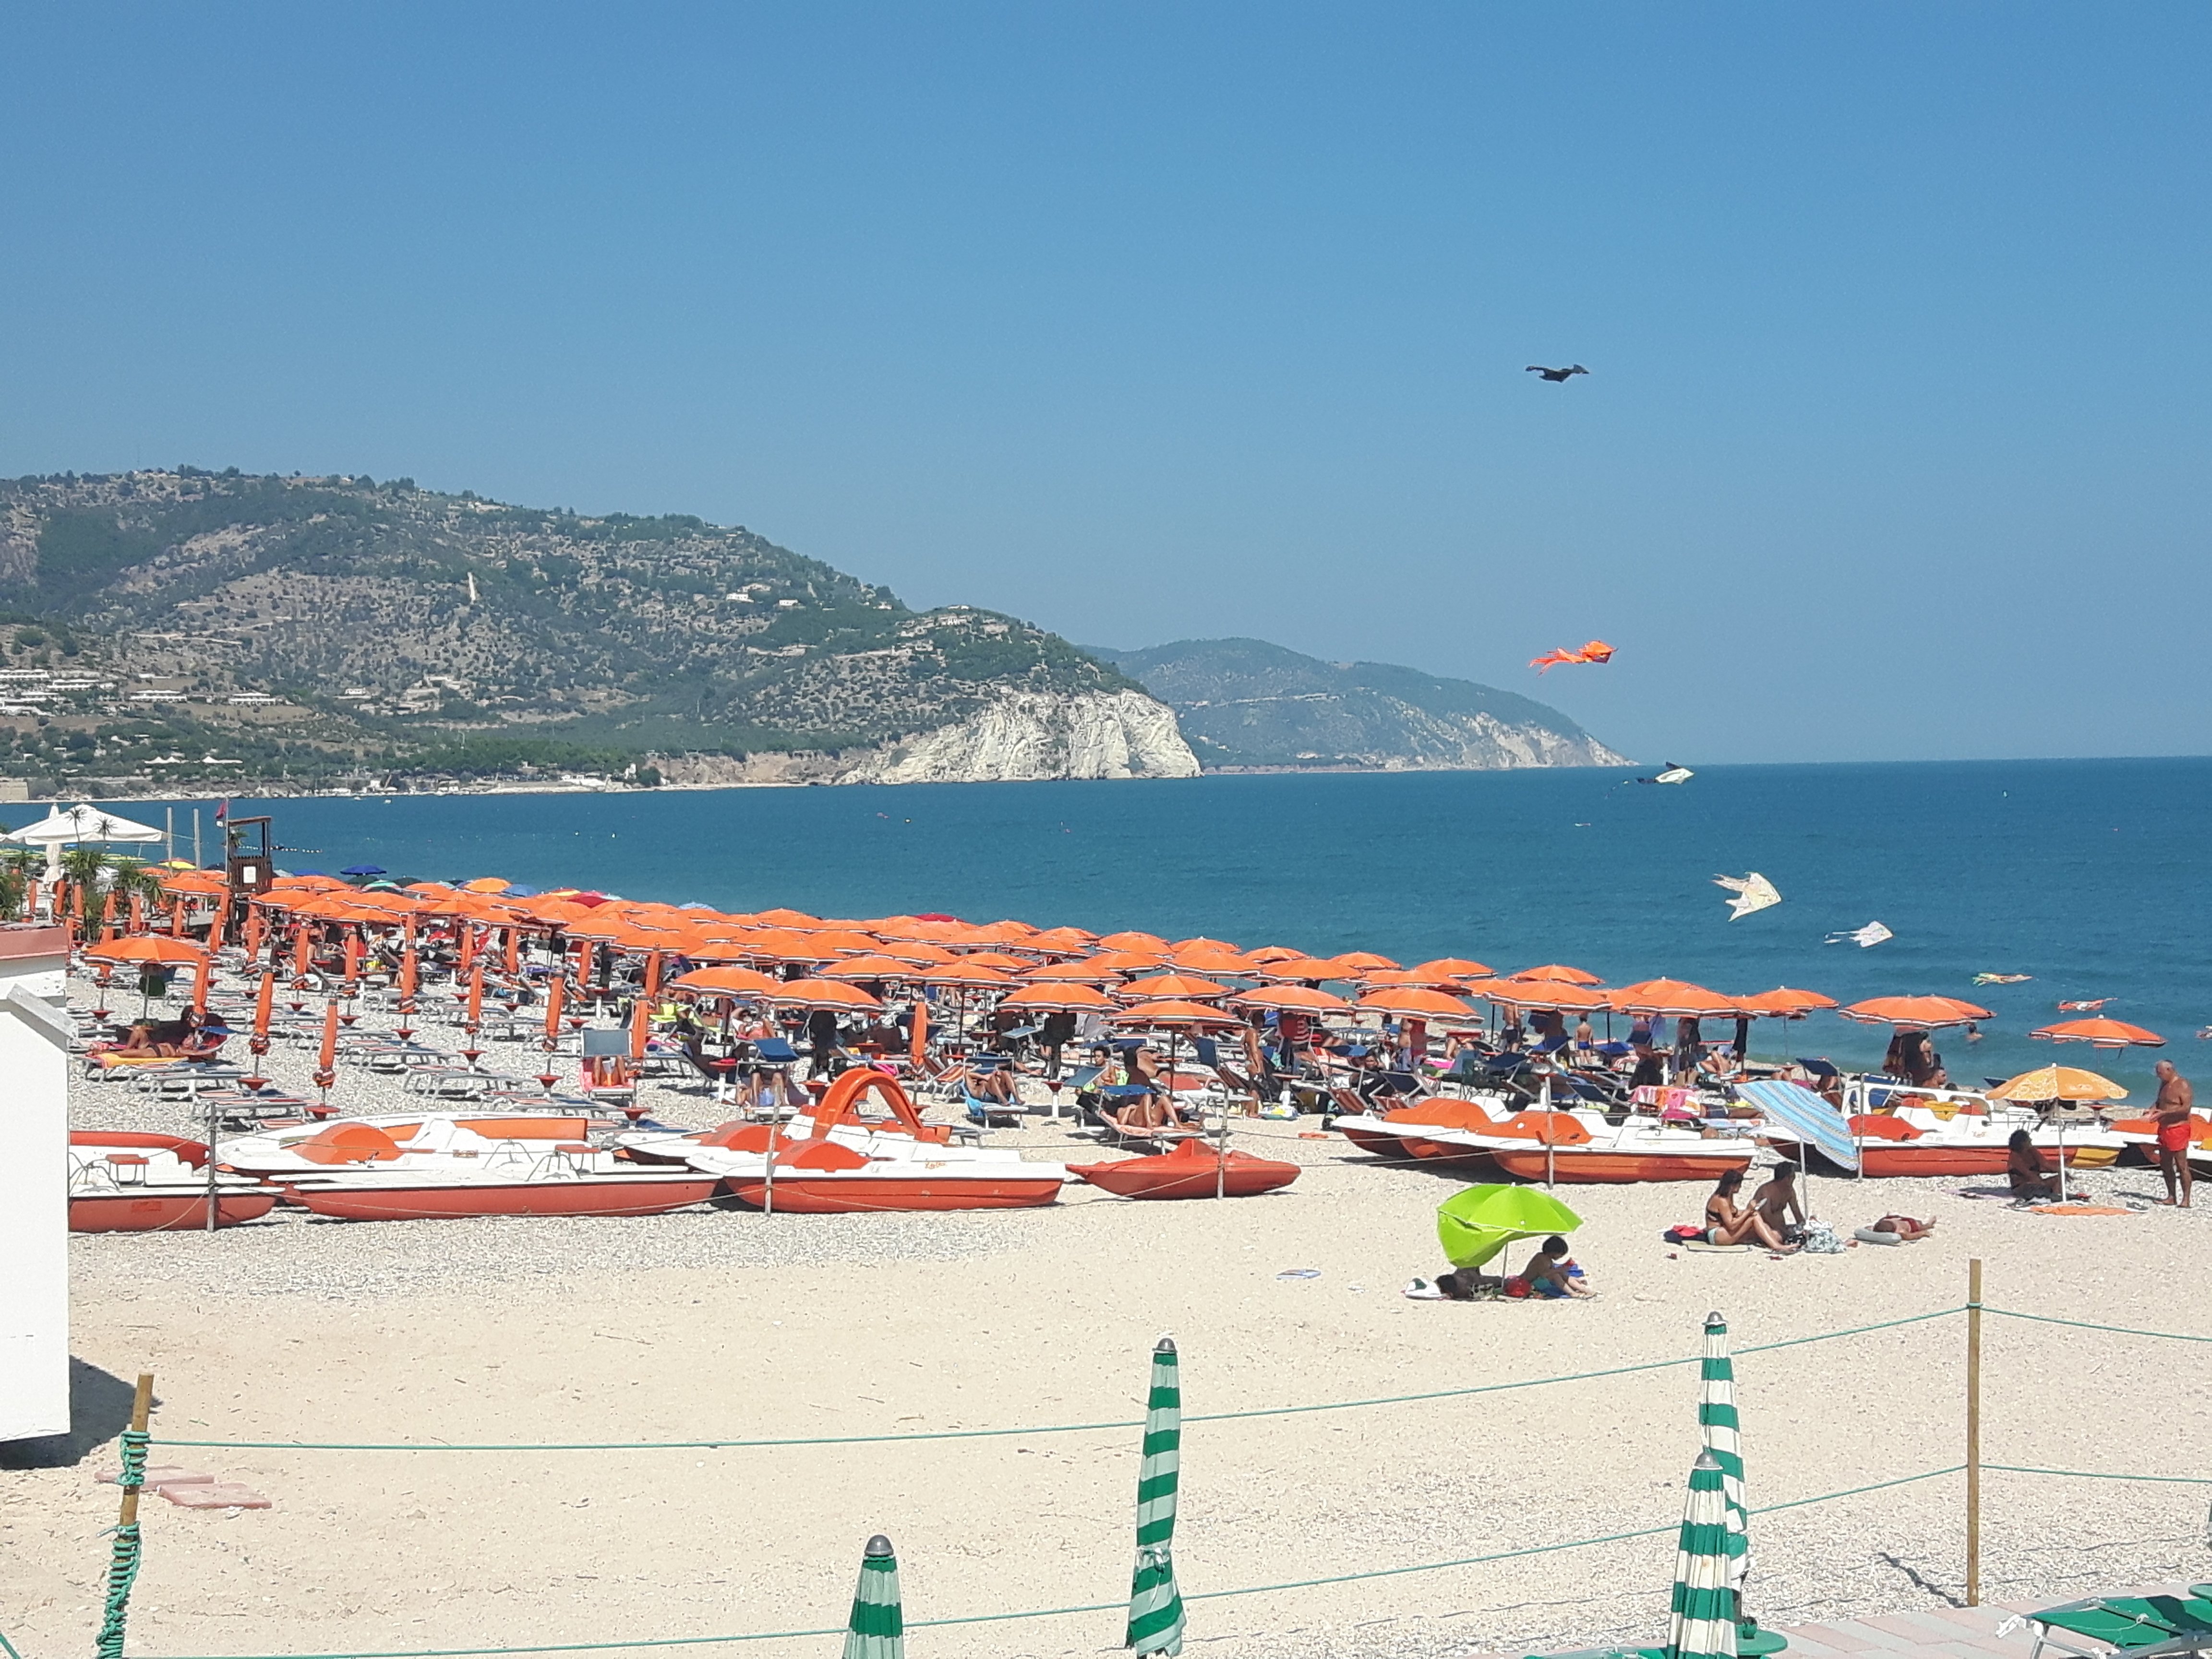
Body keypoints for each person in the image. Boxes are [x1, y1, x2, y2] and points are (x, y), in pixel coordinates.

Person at [1705, 1168, 1797, 1250]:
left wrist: (1750, 1211)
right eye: (1739, 1185)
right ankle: (1777, 1246)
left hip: (1725, 1230)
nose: (1740, 1187)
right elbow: (1731, 1225)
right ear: (1732, 1186)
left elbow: (1733, 1214)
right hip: (1717, 1234)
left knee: (1772, 1234)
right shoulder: (1722, 1201)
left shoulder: (1728, 1196)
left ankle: (1773, 1239)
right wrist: (1748, 1211)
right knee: (1754, 1218)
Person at [2151, 1059, 2196, 1209]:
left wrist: (2165, 1112)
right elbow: (2159, 1102)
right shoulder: (2164, 1085)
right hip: (2164, 1128)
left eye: (2160, 1073)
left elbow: (2186, 1108)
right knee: (2165, 1163)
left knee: (2182, 1165)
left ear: (2170, 1070)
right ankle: (2172, 1196)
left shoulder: (2182, 1085)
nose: (2158, 1076)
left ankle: (2186, 1199)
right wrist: (2151, 1110)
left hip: (2178, 1128)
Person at [1520, 1236, 1593, 1298]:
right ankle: (1572, 1293)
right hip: (1530, 1284)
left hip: (1538, 1282)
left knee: (1562, 1274)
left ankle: (1583, 1289)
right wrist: (1559, 1270)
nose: (1561, 1257)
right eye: (1560, 1254)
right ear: (1553, 1252)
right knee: (1556, 1276)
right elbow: (1544, 1274)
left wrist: (1573, 1278)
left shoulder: (1548, 1259)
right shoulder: (1542, 1259)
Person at [1752, 1163, 1806, 1240]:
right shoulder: (1767, 1191)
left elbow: (1796, 1212)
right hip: (1765, 1228)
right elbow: (1767, 1215)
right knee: (1778, 1238)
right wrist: (1784, 1231)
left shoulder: (1789, 1191)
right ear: (1784, 1178)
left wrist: (1803, 1226)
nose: (1794, 1179)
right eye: (1791, 1176)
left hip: (1781, 1228)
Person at [2007, 1128, 2057, 1202]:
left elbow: (2046, 1164)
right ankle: (2053, 1196)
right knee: (2035, 1189)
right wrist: (2041, 1183)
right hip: (2022, 1186)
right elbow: (2028, 1173)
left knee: (2060, 1179)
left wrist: (2061, 1171)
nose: (2031, 1140)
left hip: (2037, 1182)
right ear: (2022, 1142)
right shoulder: (2015, 1156)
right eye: (2028, 1139)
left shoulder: (2032, 1151)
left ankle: (2056, 1196)